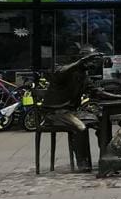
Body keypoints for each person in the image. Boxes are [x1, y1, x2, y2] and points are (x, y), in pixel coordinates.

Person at [40, 45, 115, 173]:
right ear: (82, 59)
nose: (93, 64)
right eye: (90, 61)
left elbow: (97, 92)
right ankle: (83, 163)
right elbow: (59, 73)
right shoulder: (66, 71)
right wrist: (81, 62)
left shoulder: (83, 76)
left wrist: (120, 96)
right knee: (80, 127)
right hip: (54, 113)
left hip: (72, 112)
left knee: (103, 121)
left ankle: (107, 158)